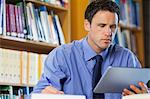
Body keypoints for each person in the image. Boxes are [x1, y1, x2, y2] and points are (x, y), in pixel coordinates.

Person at [32, 0, 149, 99]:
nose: (109, 33)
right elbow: (40, 92)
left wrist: (145, 95)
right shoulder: (62, 55)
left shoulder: (127, 58)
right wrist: (44, 94)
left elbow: (141, 91)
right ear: (87, 25)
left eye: (112, 27)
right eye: (102, 26)